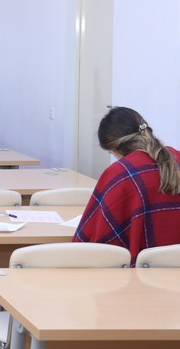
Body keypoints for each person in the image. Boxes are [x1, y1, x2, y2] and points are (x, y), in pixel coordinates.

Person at [74, 107, 180, 265]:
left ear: (114, 148)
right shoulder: (175, 157)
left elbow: (95, 237)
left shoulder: (120, 173)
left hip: (139, 275)